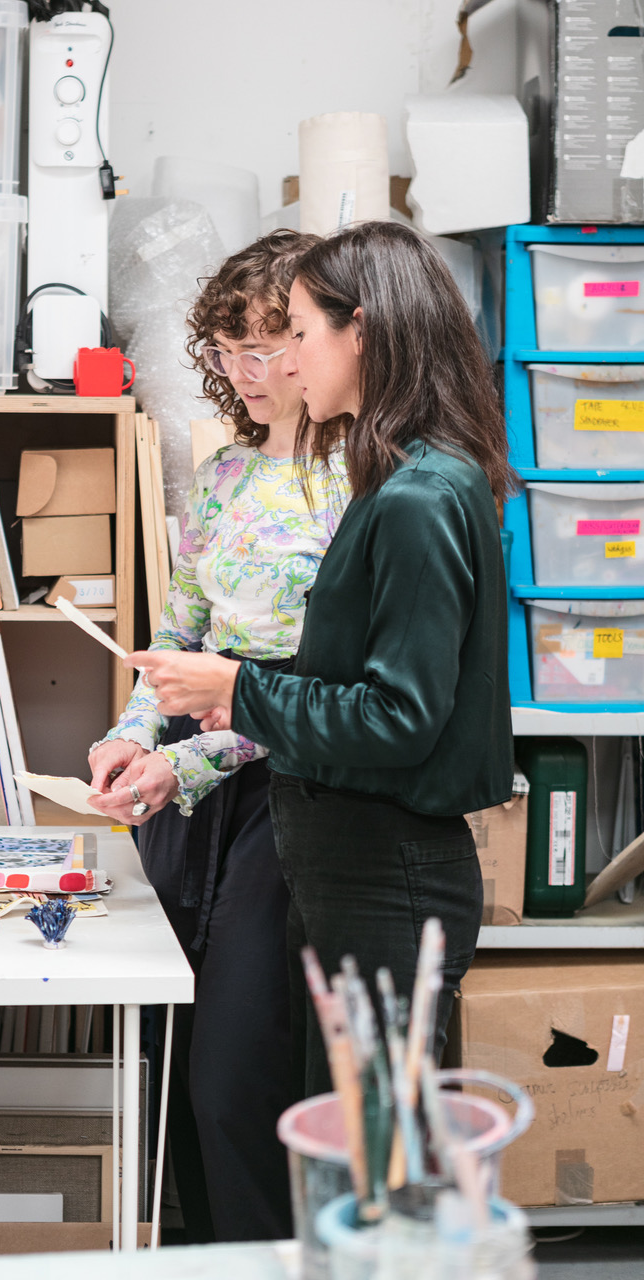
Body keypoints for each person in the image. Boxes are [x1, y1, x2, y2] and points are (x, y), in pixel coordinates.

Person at [128, 220, 515, 1099]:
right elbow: (351, 684)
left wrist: (240, 689)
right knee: (342, 1152)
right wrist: (223, 704)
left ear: (363, 334)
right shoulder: (410, 480)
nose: (287, 365)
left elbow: (397, 716)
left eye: (296, 336)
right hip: (352, 862)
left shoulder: (415, 495)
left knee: (372, 1168)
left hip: (386, 868)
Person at [86, 230, 351, 1242]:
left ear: (318, 342)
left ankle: (260, 1258)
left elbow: (315, 690)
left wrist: (182, 757)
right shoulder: (228, 473)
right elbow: (180, 636)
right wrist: (127, 733)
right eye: (228, 346)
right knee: (170, 1055)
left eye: (264, 346)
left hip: (282, 802)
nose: (242, 371)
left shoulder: (353, 485)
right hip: (185, 799)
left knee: (235, 1072)